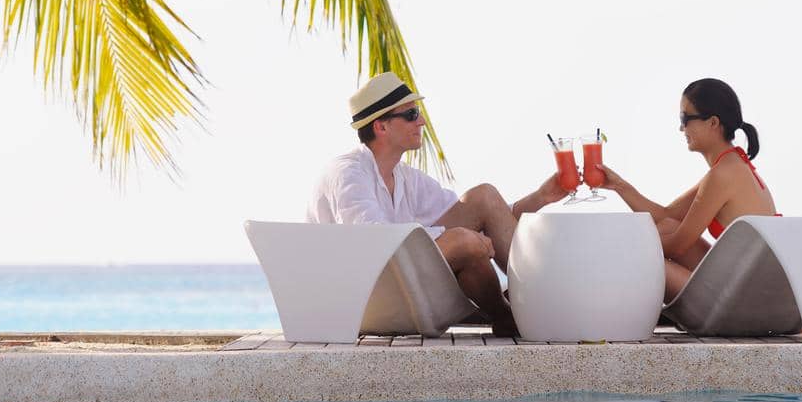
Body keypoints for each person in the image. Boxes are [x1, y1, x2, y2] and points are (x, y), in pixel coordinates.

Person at [307, 71, 565, 334]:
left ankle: (532, 304)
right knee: (464, 242)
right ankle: (510, 313)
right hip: (366, 295)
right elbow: (374, 241)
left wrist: (542, 197)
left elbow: (488, 219)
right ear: (381, 126)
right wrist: (460, 238)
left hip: (402, 280)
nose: (421, 121)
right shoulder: (348, 173)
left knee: (483, 197)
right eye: (410, 114)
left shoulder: (405, 176)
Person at [598, 78, 777, 300]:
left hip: (742, 301)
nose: (681, 128)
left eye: (685, 119)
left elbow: (678, 247)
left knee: (648, 258)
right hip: (745, 287)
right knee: (665, 226)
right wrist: (618, 186)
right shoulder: (731, 165)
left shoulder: (722, 175)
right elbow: (666, 216)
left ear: (713, 123)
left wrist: (627, 244)